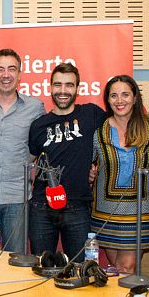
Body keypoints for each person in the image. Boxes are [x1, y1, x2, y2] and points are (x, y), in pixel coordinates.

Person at [28, 63, 105, 260]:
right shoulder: (38, 125)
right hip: (41, 207)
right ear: (50, 87)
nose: (63, 91)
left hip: (78, 206)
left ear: (77, 88)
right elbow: (29, 160)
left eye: (69, 85)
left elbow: (121, 121)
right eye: (58, 85)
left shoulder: (91, 114)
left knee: (80, 269)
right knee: (41, 267)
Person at [0, 49, 45, 255]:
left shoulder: (35, 107)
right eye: (0, 69)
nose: (6, 75)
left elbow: (41, 148)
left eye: (11, 69)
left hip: (18, 197)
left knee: (17, 262)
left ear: (20, 74)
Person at [91, 75, 149, 274]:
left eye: (125, 94)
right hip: (105, 213)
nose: (119, 101)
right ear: (107, 100)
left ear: (135, 97)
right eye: (114, 95)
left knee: (126, 268)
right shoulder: (99, 132)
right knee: (116, 271)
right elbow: (88, 163)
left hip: (140, 213)